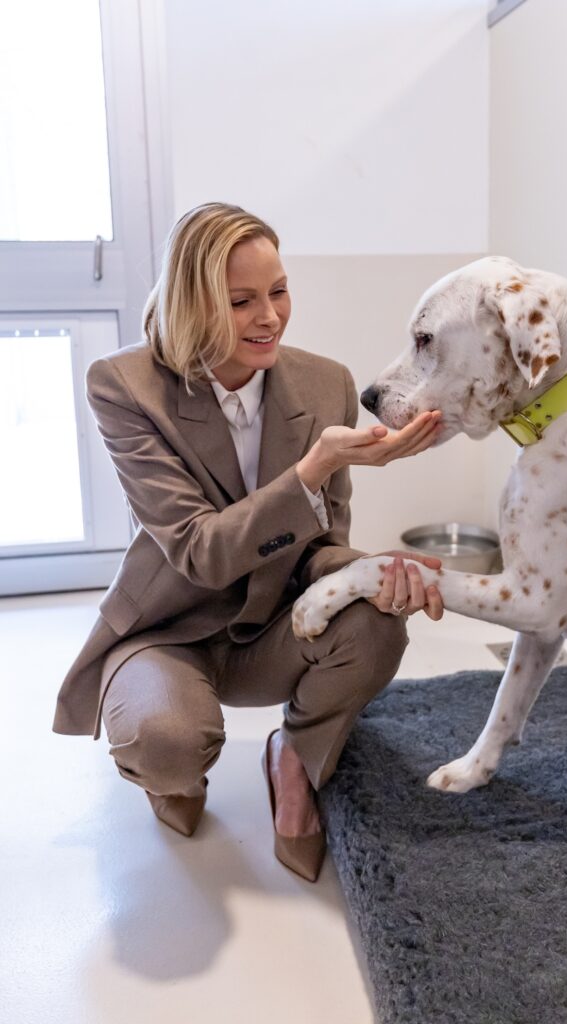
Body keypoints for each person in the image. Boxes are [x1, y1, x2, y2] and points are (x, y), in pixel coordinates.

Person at [53, 202, 444, 881]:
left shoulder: (326, 383)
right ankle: (175, 773)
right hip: (167, 629)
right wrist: (313, 467)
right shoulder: (124, 386)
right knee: (166, 743)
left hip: (272, 626)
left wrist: (370, 571)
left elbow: (322, 548)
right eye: (241, 301)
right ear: (192, 302)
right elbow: (199, 549)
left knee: (376, 623)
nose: (270, 317)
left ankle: (293, 759)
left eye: (278, 291)